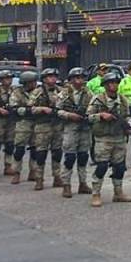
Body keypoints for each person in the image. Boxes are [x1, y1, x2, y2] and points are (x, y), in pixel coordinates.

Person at [87, 72, 131, 207]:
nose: (114, 85)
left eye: (116, 83)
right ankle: (96, 194)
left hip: (119, 137)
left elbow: (127, 116)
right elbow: (88, 117)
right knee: (101, 166)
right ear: (105, 85)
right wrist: (101, 115)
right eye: (111, 83)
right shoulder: (98, 100)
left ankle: (118, 193)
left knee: (119, 167)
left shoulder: (123, 100)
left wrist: (129, 126)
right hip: (103, 138)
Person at [56, 67, 93, 198]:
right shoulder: (64, 94)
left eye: (82, 78)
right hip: (70, 127)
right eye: (77, 78)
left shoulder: (88, 93)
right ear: (71, 80)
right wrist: (69, 115)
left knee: (83, 156)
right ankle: (66, 185)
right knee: (70, 157)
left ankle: (83, 183)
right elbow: (57, 111)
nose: (80, 81)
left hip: (84, 127)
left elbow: (93, 107)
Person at [30, 68, 64, 190]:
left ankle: (57, 176)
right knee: (41, 153)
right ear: (44, 79)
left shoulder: (61, 91)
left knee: (57, 152)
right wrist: (43, 109)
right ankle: (39, 178)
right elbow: (31, 108)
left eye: (55, 76)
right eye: (50, 76)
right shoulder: (38, 92)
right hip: (43, 125)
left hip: (57, 125)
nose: (53, 79)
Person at [9, 71, 38, 185]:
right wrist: (28, 110)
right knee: (19, 150)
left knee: (35, 149)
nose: (35, 84)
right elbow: (13, 107)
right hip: (23, 122)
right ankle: (16, 173)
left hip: (37, 122)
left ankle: (33, 171)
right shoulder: (17, 92)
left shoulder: (39, 91)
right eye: (32, 82)